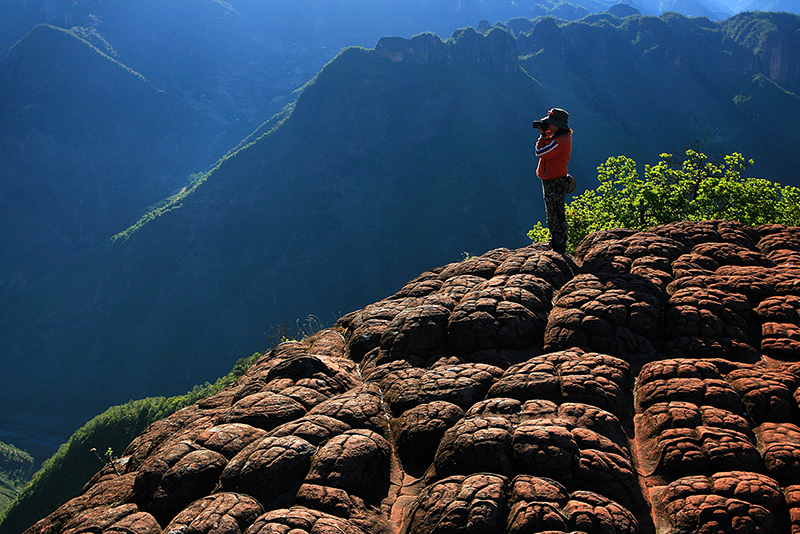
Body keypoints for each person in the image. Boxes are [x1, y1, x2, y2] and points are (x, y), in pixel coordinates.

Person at [533, 107, 572, 254]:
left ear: (558, 125)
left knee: (556, 213)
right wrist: (547, 135)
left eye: (551, 124)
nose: (548, 126)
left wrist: (543, 136)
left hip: (555, 181)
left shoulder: (560, 141)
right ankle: (554, 242)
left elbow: (540, 152)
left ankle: (559, 247)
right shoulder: (560, 138)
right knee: (553, 213)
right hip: (552, 180)